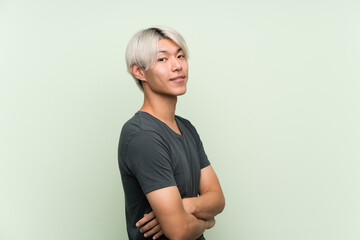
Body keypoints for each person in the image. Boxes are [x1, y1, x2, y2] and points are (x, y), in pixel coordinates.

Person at [118, 26, 225, 240]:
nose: (177, 66)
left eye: (180, 56)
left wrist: (186, 205)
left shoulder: (187, 128)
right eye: (162, 59)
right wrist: (208, 221)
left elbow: (218, 199)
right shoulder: (143, 135)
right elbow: (178, 231)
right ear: (139, 71)